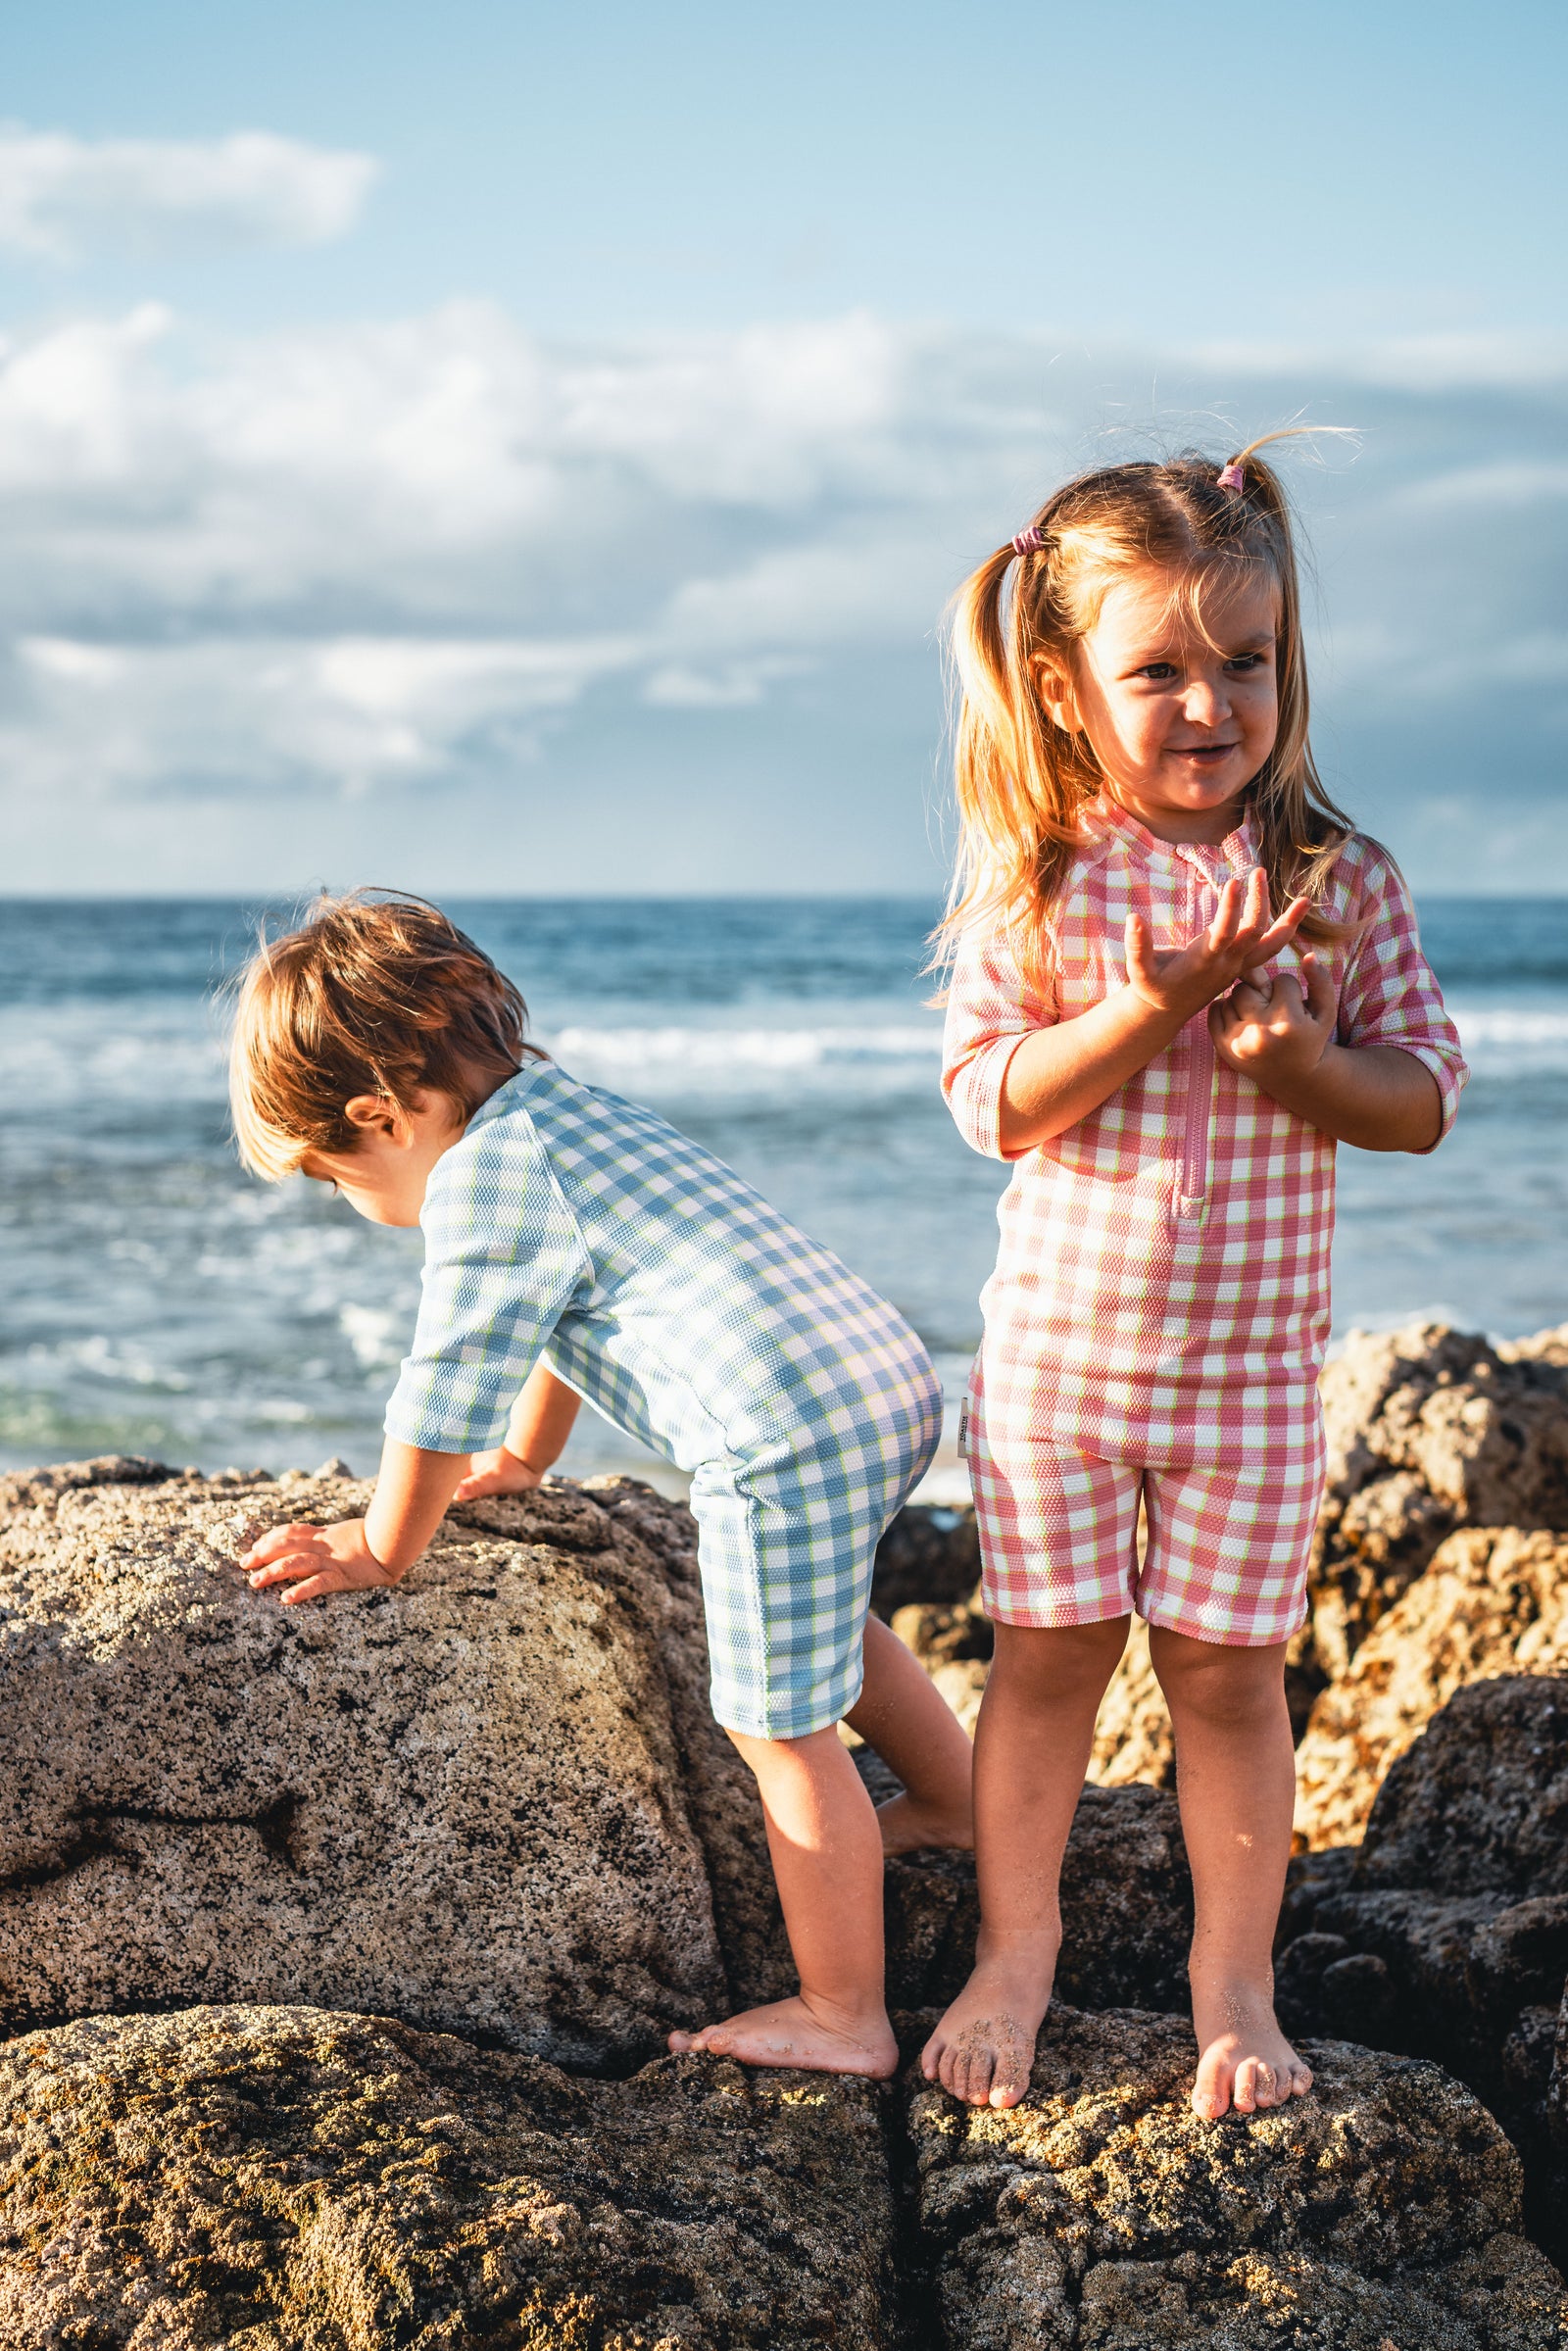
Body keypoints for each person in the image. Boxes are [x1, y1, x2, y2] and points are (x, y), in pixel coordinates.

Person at [921, 432, 1467, 2121]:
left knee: (1229, 1674)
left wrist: (1296, 1055)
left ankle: (1231, 1982)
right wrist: (1150, 1005)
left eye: (1247, 660)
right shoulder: (1047, 877)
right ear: (1065, 683)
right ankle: (1018, 1946)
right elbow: (989, 1100)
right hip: (1064, 1375)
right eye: (1159, 666)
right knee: (1048, 1656)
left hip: (1249, 1382)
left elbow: (1424, 1099)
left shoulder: (1334, 879)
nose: (1210, 701)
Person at [229, 892, 974, 2078]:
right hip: (883, 1381)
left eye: (335, 1173)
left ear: (379, 1115)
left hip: (779, 1434)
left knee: (776, 1723)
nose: (351, 1201)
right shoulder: (564, 1109)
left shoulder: (482, 1179)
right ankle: (955, 1799)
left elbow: (440, 1387)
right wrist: (525, 1462)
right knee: (832, 1619)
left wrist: (381, 1545)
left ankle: (846, 2011)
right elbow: (560, 1315)